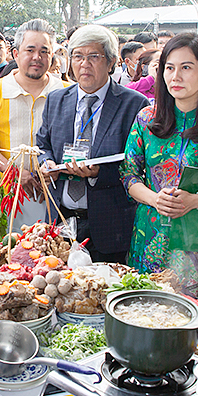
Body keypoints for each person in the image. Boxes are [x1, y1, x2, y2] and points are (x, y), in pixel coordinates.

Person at [121, 33, 198, 287]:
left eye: (186, 68)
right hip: (150, 237)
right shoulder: (146, 119)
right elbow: (128, 174)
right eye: (169, 68)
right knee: (147, 312)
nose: (176, 77)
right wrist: (154, 199)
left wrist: (196, 200)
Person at [37, 25, 149, 263]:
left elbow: (139, 166)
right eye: (78, 56)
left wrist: (99, 174)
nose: (84, 64)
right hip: (61, 220)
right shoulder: (56, 100)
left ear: (111, 63)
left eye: (93, 57)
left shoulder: (134, 105)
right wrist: (45, 161)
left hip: (109, 224)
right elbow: (43, 143)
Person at [0, 19, 67, 198]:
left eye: (44, 51)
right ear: (15, 54)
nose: (37, 57)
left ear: (52, 55)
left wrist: (56, 168)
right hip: (9, 195)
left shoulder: (66, 91)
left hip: (57, 194)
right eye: (30, 50)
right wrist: (13, 171)